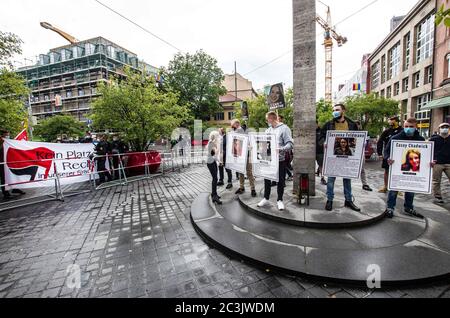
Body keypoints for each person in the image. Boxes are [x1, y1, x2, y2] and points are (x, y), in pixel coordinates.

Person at [384, 118, 429, 219]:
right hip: (397, 169)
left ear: (416, 127)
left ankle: (408, 207)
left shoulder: (421, 140)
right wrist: (388, 158)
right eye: (406, 126)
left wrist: (429, 163)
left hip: (413, 170)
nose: (408, 129)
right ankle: (390, 208)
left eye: (411, 127)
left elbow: (425, 155)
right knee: (393, 189)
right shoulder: (395, 138)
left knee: (410, 189)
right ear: (404, 126)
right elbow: (386, 151)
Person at [320, 103, 361, 212]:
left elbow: (357, 138)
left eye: (337, 109)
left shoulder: (352, 124)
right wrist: (324, 142)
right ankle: (329, 200)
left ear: (343, 111)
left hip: (347, 156)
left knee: (347, 179)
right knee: (330, 180)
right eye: (334, 110)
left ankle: (348, 200)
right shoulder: (329, 124)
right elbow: (321, 136)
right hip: (333, 156)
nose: (335, 111)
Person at [257, 111, 294, 211]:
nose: (266, 121)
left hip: (280, 160)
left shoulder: (284, 128)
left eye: (267, 119)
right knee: (267, 179)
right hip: (268, 160)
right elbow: (264, 145)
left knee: (280, 180)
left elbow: (290, 144)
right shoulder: (267, 130)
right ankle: (266, 198)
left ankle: (280, 200)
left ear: (272, 118)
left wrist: (280, 149)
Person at [377, 116, 403, 193]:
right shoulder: (387, 131)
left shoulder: (402, 131)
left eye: (392, 120)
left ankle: (398, 188)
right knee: (387, 170)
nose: (390, 122)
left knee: (399, 171)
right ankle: (385, 186)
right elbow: (380, 142)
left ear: (397, 121)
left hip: (400, 155)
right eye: (390, 120)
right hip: (388, 154)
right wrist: (380, 154)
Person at [231, 119, 257, 197]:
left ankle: (253, 189)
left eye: (232, 124)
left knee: (249, 172)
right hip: (239, 155)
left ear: (236, 124)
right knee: (240, 171)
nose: (231, 126)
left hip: (246, 155)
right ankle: (242, 187)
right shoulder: (235, 132)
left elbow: (250, 142)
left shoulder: (244, 131)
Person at [0, 129, 26, 199]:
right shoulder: (1, 141)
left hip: (10, 162)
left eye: (8, 135)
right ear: (2, 135)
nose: (8, 136)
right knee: (4, 178)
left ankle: (15, 188)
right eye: (6, 135)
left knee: (13, 175)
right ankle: (6, 193)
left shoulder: (8, 141)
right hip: (2, 163)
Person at [430, 123, 450, 204]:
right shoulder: (433, 139)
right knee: (436, 181)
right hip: (437, 163)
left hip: (449, 163)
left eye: (446, 127)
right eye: (442, 127)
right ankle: (437, 196)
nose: (444, 128)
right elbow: (428, 149)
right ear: (439, 128)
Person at [355, 121, 373, 192]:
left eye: (358, 125)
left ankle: (364, 184)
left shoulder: (363, 133)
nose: (357, 126)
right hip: (351, 154)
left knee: (362, 169)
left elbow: (366, 143)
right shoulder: (349, 132)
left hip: (360, 153)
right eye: (356, 125)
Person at [206, 131, 222, 205]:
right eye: (218, 136)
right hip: (211, 162)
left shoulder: (213, 143)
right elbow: (214, 155)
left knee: (216, 178)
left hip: (212, 162)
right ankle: (214, 196)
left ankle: (214, 193)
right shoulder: (212, 143)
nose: (219, 137)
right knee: (215, 178)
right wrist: (220, 161)